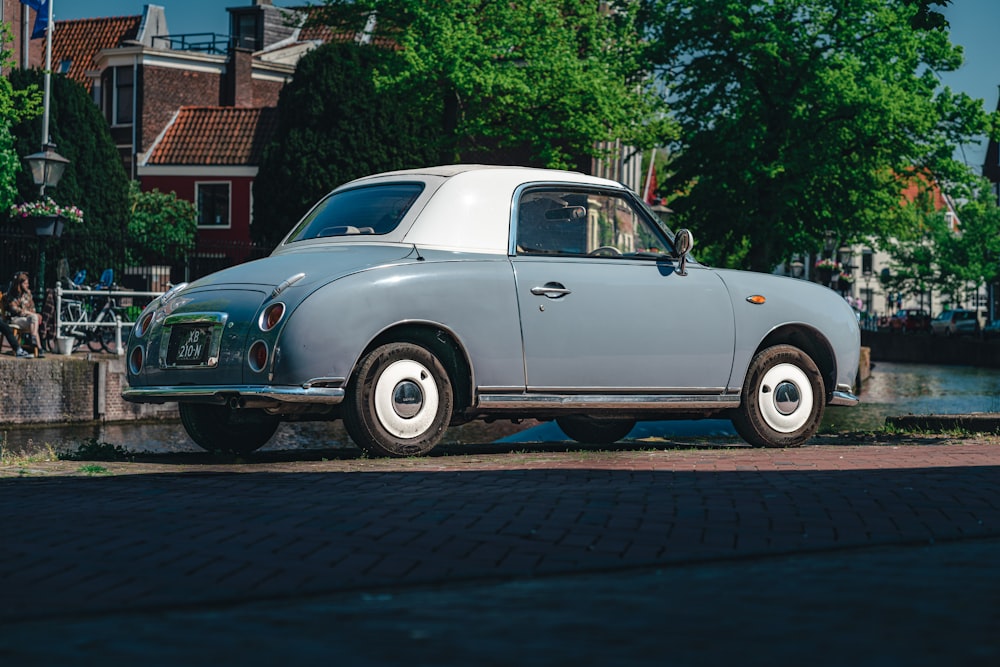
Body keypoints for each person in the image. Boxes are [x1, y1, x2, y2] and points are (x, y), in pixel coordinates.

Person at [4, 271, 44, 357]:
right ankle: (39, 348)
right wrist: (29, 313)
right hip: (15, 319)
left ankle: (34, 340)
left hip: (28, 319)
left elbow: (33, 308)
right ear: (20, 284)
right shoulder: (12, 295)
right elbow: (16, 310)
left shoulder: (28, 294)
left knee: (34, 319)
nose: (27, 285)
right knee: (34, 319)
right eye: (25, 283)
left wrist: (32, 313)